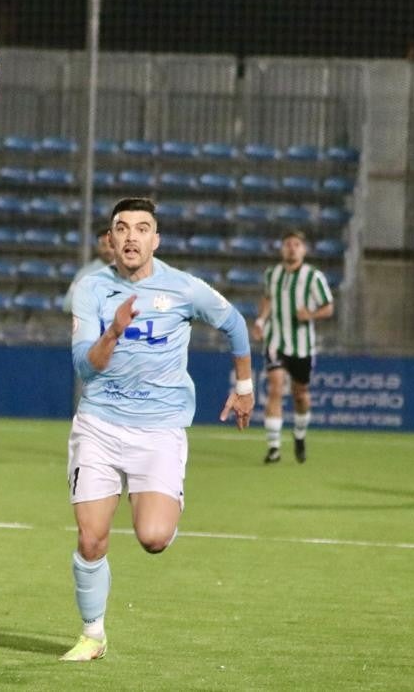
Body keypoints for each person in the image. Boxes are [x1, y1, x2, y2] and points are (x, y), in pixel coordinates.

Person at [62, 197, 254, 662]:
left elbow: (234, 323)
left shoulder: (183, 288)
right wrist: (113, 332)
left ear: (156, 240)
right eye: (122, 228)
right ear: (111, 240)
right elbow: (84, 367)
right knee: (91, 538)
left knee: (153, 538)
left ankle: (159, 502)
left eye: (142, 228)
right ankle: (92, 635)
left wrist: (244, 386)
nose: (131, 236)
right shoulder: (91, 289)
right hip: (100, 424)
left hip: (160, 429)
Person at [251, 230, 334, 464]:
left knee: (301, 395)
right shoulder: (272, 274)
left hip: (302, 346)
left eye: (297, 244)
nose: (291, 248)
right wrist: (260, 321)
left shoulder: (313, 277)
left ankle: (299, 434)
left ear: (304, 250)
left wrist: (311, 314)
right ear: (281, 248)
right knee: (275, 388)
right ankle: (274, 447)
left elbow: (328, 307)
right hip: (275, 341)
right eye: (287, 244)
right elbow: (268, 298)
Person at [61, 223, 115, 313]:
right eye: (103, 245)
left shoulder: (129, 272)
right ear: (97, 247)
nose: (108, 250)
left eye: (111, 245)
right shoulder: (85, 274)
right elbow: (67, 304)